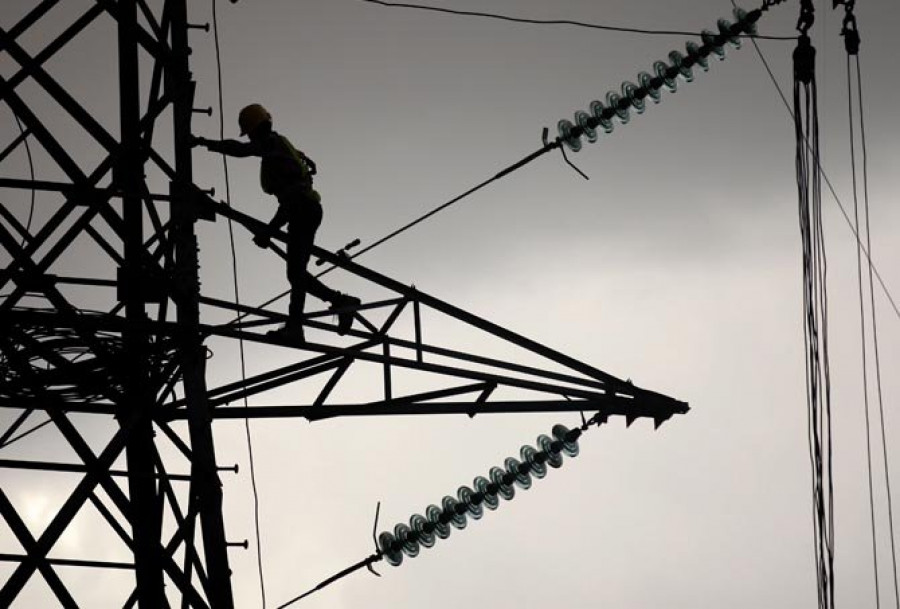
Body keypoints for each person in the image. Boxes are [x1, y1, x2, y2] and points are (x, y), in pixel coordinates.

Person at [192, 103, 360, 342]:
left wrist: (202, 142)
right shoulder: (277, 149)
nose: (250, 137)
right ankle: (300, 324)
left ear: (256, 129)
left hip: (303, 211)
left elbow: (241, 150)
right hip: (304, 211)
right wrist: (269, 232)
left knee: (296, 274)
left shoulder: (271, 144)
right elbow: (289, 200)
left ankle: (337, 304)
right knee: (297, 274)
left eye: (250, 132)